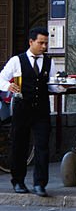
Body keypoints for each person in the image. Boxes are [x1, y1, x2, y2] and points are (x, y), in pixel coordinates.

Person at [0, 28, 56, 196]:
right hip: (22, 108)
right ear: (31, 42)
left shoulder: (49, 62)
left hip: (42, 109)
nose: (44, 46)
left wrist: (62, 86)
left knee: (42, 146)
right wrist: (7, 86)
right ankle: (18, 181)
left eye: (46, 43)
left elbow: (52, 85)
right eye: (41, 43)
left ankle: (40, 184)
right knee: (19, 145)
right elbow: (1, 77)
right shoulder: (17, 60)